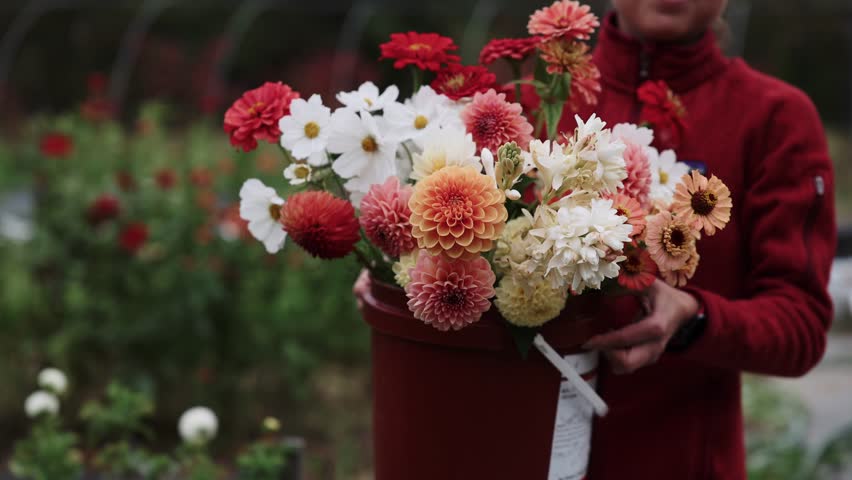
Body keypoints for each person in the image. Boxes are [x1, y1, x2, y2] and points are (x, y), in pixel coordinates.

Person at [570, 1, 837, 478]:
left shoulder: (775, 118)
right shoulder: (535, 101)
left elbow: (801, 325)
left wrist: (695, 318)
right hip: (522, 448)